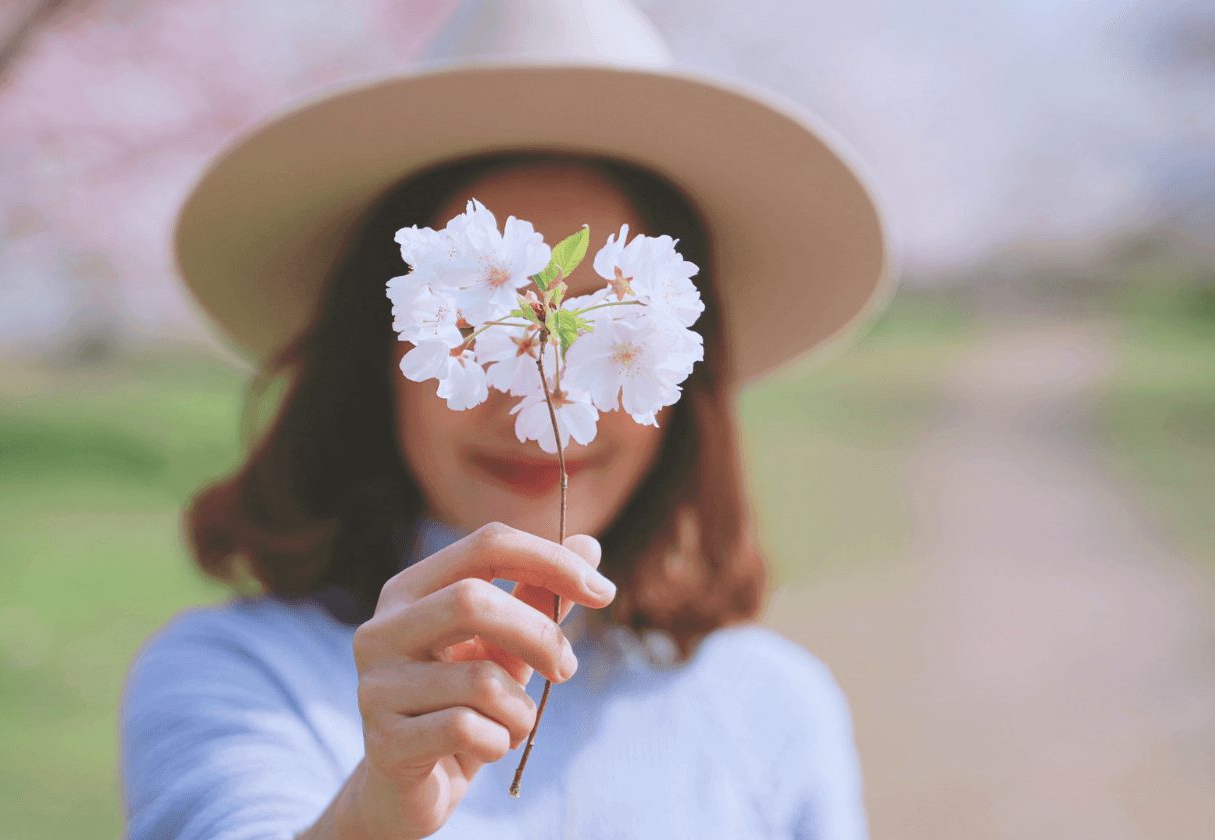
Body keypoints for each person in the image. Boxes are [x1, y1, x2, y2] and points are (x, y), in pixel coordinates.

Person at [120, 4, 891, 839]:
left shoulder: (777, 707)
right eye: (480, 322)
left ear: (678, 379)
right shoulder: (234, 675)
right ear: (383, 351)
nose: (547, 403)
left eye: (602, 323)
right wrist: (372, 814)